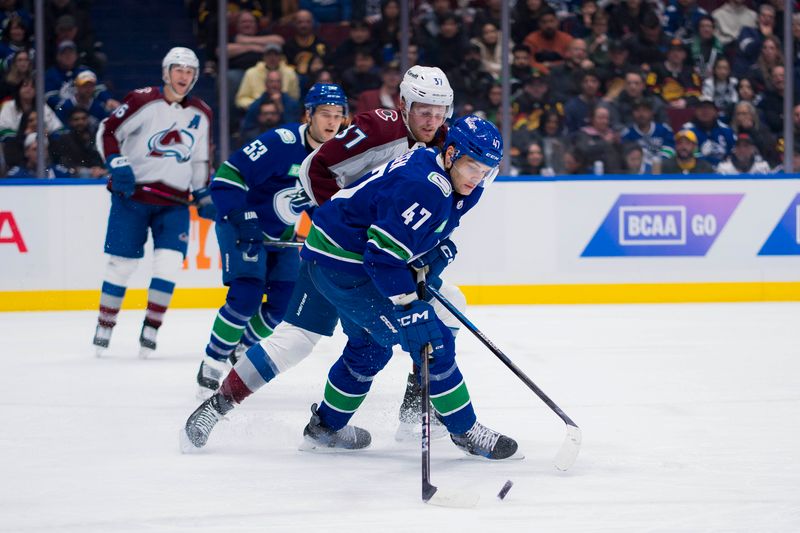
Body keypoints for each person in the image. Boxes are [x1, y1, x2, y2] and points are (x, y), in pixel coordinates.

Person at [183, 115, 521, 460]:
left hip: (326, 248)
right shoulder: (425, 187)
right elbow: (381, 256)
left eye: (487, 170)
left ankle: (322, 427)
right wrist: (407, 305)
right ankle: (464, 429)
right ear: (450, 154)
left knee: (360, 347)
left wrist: (435, 249)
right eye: (471, 166)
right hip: (348, 265)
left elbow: (401, 230)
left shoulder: (441, 170)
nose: (478, 177)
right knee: (432, 340)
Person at [195, 83, 348, 398]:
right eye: (325, 115)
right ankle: (212, 360)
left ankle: (242, 348)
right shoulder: (282, 142)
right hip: (240, 225)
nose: (332, 123)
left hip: (283, 235)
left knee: (282, 304)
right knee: (246, 295)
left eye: (338, 115)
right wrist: (242, 216)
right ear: (308, 114)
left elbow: (326, 206)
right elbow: (227, 176)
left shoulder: (335, 158)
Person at [91, 47, 215, 358]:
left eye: (189, 71)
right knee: (122, 264)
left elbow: (200, 159)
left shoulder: (202, 113)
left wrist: (201, 192)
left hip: (173, 203)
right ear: (166, 72)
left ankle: (151, 327)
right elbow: (107, 131)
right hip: (132, 197)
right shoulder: (143, 100)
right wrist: (117, 163)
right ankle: (105, 324)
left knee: (170, 263)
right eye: (178, 69)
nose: (183, 76)